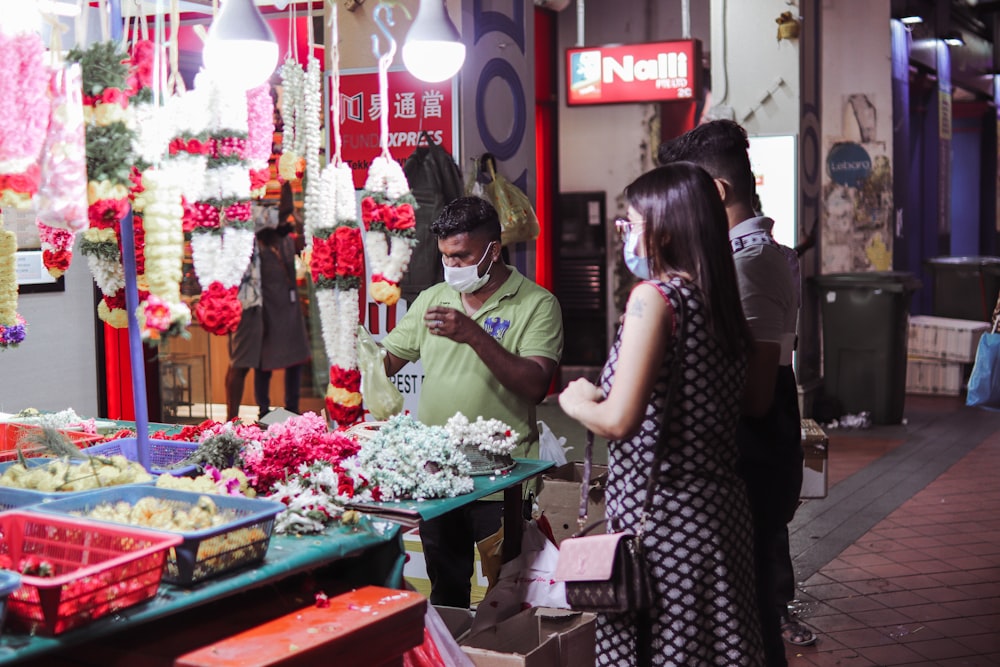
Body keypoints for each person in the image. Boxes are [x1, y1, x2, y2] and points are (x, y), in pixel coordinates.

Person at [559, 163, 764, 666]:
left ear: (666, 228)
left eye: (631, 223)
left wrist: (576, 399)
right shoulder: (718, 301)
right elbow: (753, 401)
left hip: (662, 530)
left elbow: (619, 420)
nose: (625, 236)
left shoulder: (656, 299)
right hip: (718, 522)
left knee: (659, 651)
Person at [658, 119, 813, 665]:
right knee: (745, 611)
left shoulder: (748, 264)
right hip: (752, 444)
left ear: (715, 192)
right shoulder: (743, 257)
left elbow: (754, 393)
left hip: (752, 447)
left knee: (750, 614)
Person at [379, 195, 563, 608]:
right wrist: (354, 359)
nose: (452, 268)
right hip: (439, 478)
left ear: (493, 251)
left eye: (461, 257)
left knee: (511, 594)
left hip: (502, 481)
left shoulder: (537, 304)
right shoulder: (432, 298)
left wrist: (472, 334)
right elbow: (386, 362)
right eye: (446, 257)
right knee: (446, 591)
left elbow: (535, 384)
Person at [225, 185, 311, 421]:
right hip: (258, 309)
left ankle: (291, 408)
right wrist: (286, 183)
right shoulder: (247, 229)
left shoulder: (283, 238)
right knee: (253, 363)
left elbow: (303, 242)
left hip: (287, 308)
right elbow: (283, 211)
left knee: (294, 358)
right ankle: (253, 413)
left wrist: (300, 220)